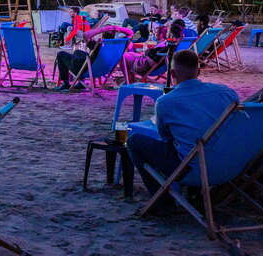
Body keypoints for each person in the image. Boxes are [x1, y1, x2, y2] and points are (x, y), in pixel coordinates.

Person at [127, 50, 239, 199]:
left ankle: (162, 202)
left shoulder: (165, 102)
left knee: (135, 141)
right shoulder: (227, 93)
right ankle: (195, 194)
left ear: (172, 74)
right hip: (231, 166)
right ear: (198, 71)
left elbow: (165, 137)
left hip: (194, 170)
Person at [53, 25, 133, 91]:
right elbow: (131, 33)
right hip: (104, 69)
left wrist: (103, 29)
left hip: (87, 69)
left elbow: (85, 35)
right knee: (78, 52)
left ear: (102, 35)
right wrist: (117, 28)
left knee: (61, 54)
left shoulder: (99, 46)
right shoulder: (119, 46)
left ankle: (66, 83)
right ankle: (81, 83)